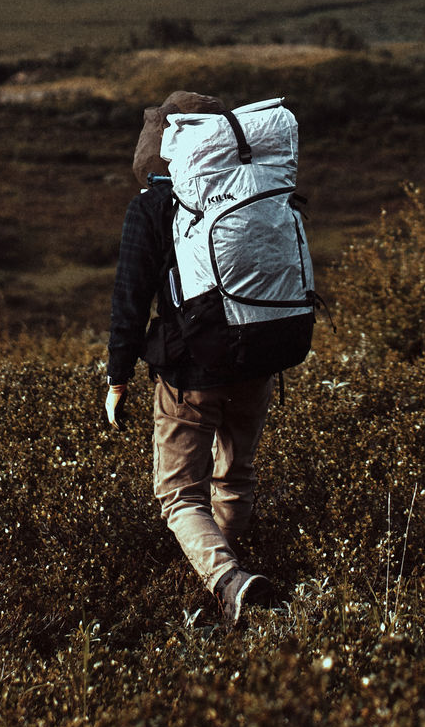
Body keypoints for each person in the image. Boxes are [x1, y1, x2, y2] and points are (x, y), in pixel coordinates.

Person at [105, 89, 291, 628]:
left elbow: (130, 298)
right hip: (259, 355)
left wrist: (118, 378)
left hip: (191, 371)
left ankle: (228, 582)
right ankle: (235, 587)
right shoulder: (257, 191)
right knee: (235, 478)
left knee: (179, 497)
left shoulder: (152, 205)